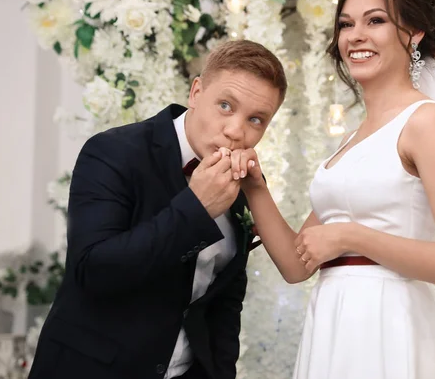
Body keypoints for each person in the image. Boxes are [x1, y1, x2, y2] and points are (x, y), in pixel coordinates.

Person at [228, 0, 435, 379]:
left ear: (415, 33)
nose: (355, 36)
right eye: (346, 24)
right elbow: (297, 265)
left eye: (376, 20)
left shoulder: (426, 121)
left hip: (396, 329)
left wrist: (353, 236)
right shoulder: (351, 141)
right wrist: (254, 185)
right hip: (336, 329)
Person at [28, 40, 287, 379]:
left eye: (256, 119)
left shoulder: (244, 180)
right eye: (225, 105)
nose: (236, 131)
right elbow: (93, 271)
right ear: (196, 93)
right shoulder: (113, 152)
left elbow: (224, 300)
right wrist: (196, 209)